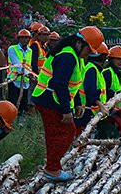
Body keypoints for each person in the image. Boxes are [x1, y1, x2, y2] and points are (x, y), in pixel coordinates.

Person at [34, 29, 92, 180]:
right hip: (48, 99)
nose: (90, 53)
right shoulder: (67, 56)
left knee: (56, 134)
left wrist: (78, 103)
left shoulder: (75, 56)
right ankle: (52, 168)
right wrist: (66, 110)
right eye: (89, 49)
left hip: (52, 99)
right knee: (66, 132)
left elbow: (74, 84)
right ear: (80, 44)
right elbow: (60, 84)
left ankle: (53, 167)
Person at [98, 47, 121, 139]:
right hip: (104, 108)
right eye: (118, 59)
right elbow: (104, 92)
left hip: (114, 107)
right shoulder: (107, 73)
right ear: (111, 59)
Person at [6, 27, 38, 112]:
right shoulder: (12, 49)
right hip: (14, 79)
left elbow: (29, 66)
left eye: (26, 38)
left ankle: (20, 121)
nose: (24, 40)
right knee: (13, 102)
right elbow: (17, 64)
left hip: (25, 81)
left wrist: (32, 75)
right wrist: (29, 74)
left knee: (23, 103)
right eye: (22, 38)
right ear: (19, 39)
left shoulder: (30, 51)